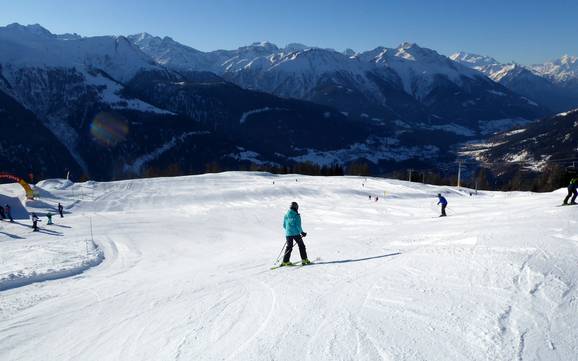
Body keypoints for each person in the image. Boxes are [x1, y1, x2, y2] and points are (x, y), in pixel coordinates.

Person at [281, 202, 310, 266]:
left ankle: (285, 261)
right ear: (296, 207)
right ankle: (304, 260)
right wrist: (302, 232)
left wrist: (289, 231)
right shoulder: (297, 215)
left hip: (288, 234)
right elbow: (298, 226)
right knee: (301, 246)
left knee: (289, 247)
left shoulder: (286, 215)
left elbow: (284, 225)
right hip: (296, 234)